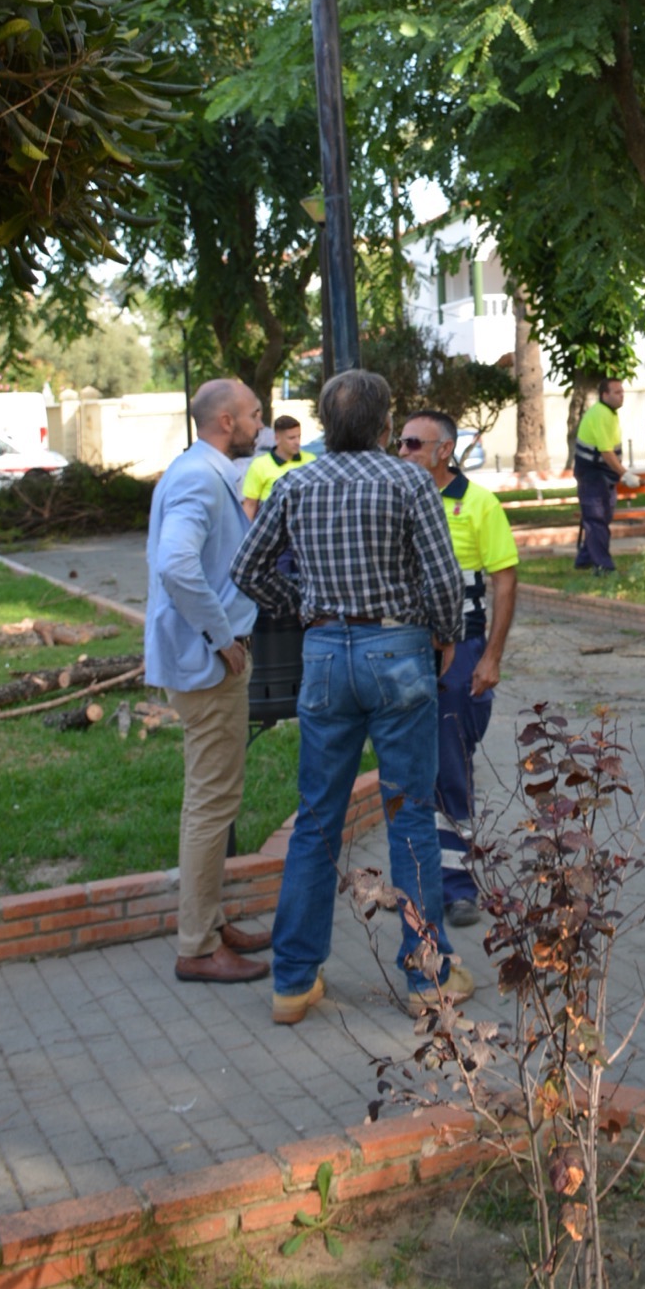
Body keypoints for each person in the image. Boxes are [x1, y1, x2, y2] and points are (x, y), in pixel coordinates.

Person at [231, 368, 469, 1026]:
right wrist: (446, 635)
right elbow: (443, 577)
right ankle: (425, 976)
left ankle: (292, 981)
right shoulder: (408, 482)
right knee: (411, 816)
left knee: (315, 819)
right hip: (398, 652)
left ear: (325, 426)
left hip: (324, 658)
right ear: (386, 426)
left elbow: (247, 569)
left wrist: (306, 606)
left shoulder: (294, 483)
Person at [145, 377, 270, 985]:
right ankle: (197, 945)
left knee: (212, 799)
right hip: (208, 663)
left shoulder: (202, 470)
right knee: (212, 802)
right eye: (254, 414)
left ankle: (211, 924)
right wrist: (221, 636)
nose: (260, 423)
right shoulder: (198, 477)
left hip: (205, 658)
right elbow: (176, 564)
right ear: (226, 421)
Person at [399, 409, 518, 929]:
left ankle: (458, 887)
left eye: (412, 444)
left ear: (443, 449)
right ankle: (421, 879)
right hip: (405, 648)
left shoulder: (478, 503)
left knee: (452, 765)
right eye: (400, 443)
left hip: (462, 648)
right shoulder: (399, 500)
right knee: (414, 766)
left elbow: (505, 580)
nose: (402, 452)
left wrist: (491, 656)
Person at [572, 377, 638, 573]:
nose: (621, 396)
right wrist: (625, 474)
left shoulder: (609, 413)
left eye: (622, 392)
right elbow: (606, 452)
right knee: (596, 519)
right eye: (617, 392)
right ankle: (603, 566)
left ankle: (585, 559)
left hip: (603, 475)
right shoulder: (601, 414)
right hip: (592, 475)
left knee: (601, 518)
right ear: (604, 395)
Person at [240, 414, 315, 519]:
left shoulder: (311, 460)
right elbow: (250, 504)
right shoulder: (260, 465)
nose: (297, 442)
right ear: (277, 438)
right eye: (291, 438)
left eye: (299, 436)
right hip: (272, 521)